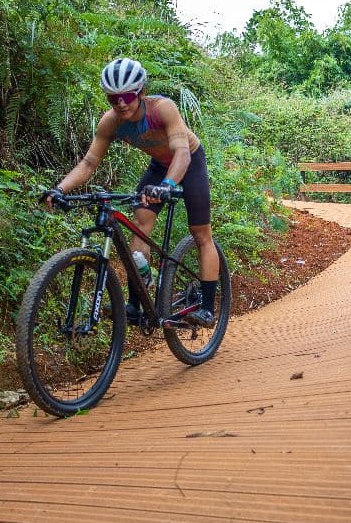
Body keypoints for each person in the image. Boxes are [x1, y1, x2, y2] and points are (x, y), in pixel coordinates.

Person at [39, 57, 219, 327]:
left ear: (141, 93)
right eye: (113, 99)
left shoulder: (162, 109)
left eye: (126, 96)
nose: (120, 103)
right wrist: (59, 188)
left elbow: (181, 152)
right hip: (159, 166)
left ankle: (207, 308)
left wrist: (168, 186)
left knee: (201, 234)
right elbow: (89, 163)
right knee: (139, 225)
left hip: (189, 162)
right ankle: (135, 305)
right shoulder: (110, 122)